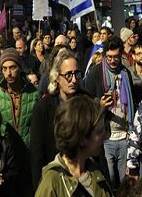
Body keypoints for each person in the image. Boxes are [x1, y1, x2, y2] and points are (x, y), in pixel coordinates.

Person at [85, 37, 137, 189]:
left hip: (124, 135)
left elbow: (132, 102)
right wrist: (99, 105)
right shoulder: (95, 74)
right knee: (109, 179)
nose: (113, 61)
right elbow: (85, 103)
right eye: (109, 57)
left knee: (122, 182)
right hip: (105, 136)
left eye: (116, 57)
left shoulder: (125, 74)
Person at [35, 95, 112, 196]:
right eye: (99, 132)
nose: (105, 135)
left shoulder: (95, 172)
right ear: (81, 138)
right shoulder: (52, 182)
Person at [30, 49, 85, 188]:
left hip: (84, 179)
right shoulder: (43, 108)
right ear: (56, 78)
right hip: (55, 182)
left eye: (76, 74)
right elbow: (37, 155)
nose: (73, 80)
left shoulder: (86, 103)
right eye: (68, 75)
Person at [0, 47, 39, 147]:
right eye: (5, 69)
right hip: (6, 152)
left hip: (28, 151)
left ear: (19, 67)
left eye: (12, 67)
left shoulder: (34, 93)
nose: (8, 73)